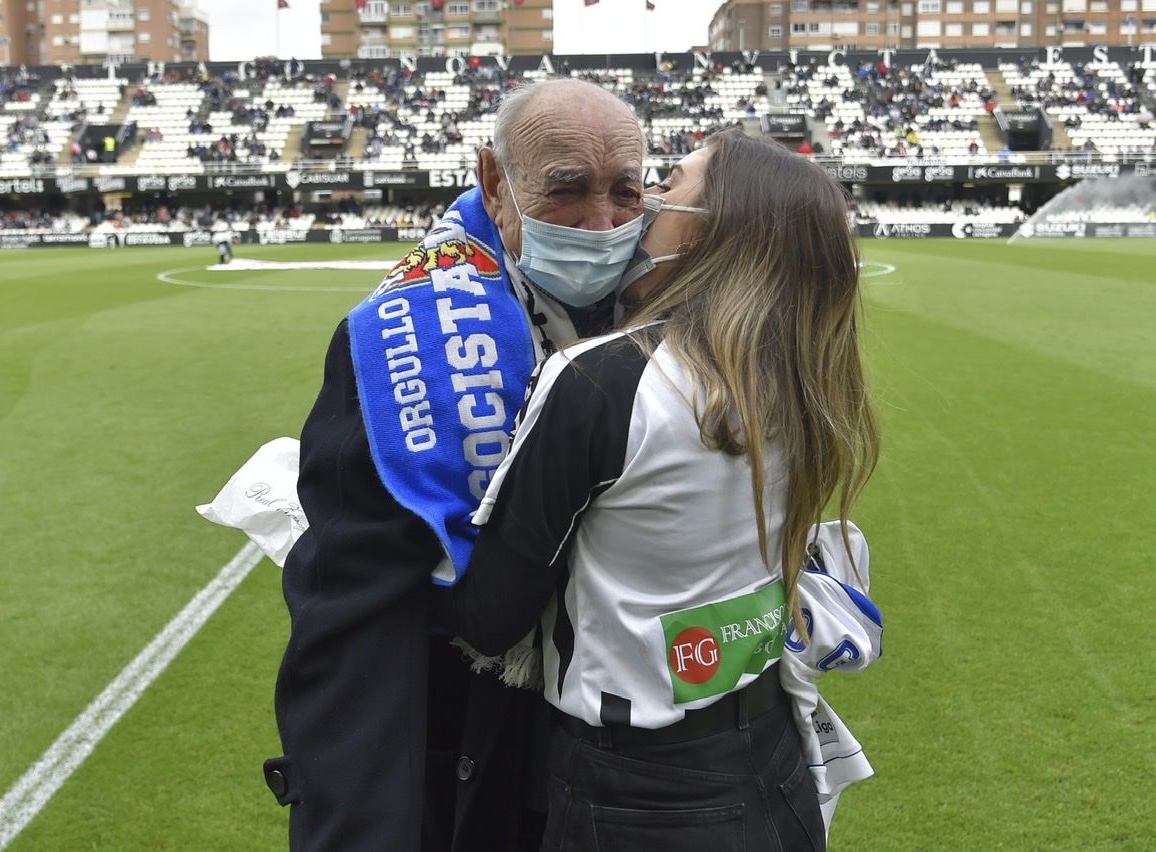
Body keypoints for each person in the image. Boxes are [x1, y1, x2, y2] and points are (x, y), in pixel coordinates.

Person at [439, 130, 881, 851]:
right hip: (775, 760)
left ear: (717, 231)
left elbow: (489, 618)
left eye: (668, 189)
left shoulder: (604, 380)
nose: (643, 208)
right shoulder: (801, 376)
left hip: (636, 797)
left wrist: (323, 530)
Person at [264, 78, 648, 852]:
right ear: (494, 183)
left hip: (615, 763)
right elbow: (355, 606)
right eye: (567, 190)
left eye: (626, 192)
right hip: (475, 751)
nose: (603, 224)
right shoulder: (404, 334)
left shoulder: (662, 307)